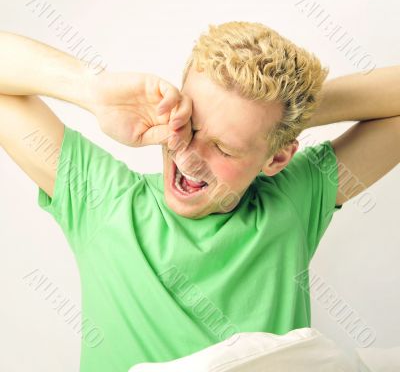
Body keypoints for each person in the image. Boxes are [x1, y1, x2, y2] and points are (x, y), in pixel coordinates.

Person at [0, 22, 398, 372]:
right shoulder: (101, 199)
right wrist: (93, 91)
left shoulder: (293, 200)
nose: (189, 156)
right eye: (189, 125)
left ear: (276, 157)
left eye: (224, 148)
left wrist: (282, 115)